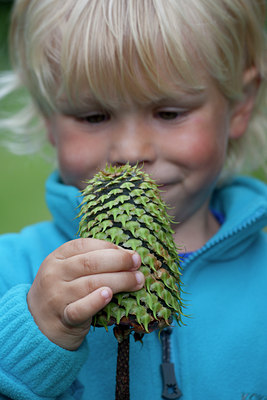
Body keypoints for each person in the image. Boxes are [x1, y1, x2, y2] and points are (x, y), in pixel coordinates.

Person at [0, 0, 266, 399]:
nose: (129, 150)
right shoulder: (12, 269)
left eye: (169, 112)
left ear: (240, 104)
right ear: (48, 118)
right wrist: (36, 337)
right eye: (93, 117)